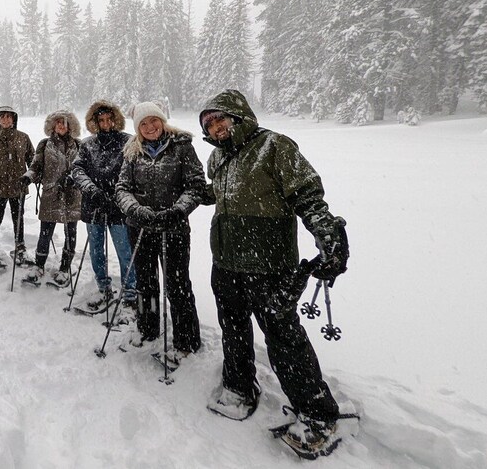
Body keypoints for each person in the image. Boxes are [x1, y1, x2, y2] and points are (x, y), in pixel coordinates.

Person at [199, 89, 349, 454]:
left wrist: (327, 235)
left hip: (270, 265)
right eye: (208, 123)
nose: (215, 127)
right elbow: (220, 194)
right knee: (232, 328)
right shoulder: (216, 157)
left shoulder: (275, 146)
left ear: (238, 117)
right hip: (226, 262)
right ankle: (239, 385)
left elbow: (307, 195)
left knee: (282, 336)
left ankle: (317, 414)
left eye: (220, 118)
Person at [115, 101, 204, 365]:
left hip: (173, 228)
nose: (150, 127)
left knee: (177, 285)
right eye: (143, 123)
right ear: (137, 128)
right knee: (145, 283)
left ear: (162, 121)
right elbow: (122, 188)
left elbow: (196, 185)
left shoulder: (181, 146)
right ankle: (147, 328)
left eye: (153, 121)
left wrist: (178, 210)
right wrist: (135, 210)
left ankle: (186, 340)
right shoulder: (132, 151)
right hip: (140, 228)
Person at [71, 100, 137, 309]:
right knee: (96, 250)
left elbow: (133, 171)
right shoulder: (88, 144)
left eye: (109, 119)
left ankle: (131, 295)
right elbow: (77, 170)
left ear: (116, 120)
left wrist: (118, 194)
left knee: (125, 251)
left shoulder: (128, 141)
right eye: (101, 120)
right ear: (95, 122)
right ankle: (103, 288)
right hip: (94, 205)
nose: (106, 124)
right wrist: (93, 190)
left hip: (119, 206)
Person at [20, 110, 82, 286]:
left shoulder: (78, 145)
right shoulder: (44, 144)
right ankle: (39, 266)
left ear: (71, 125)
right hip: (50, 194)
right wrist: (28, 176)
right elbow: (36, 167)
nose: (62, 125)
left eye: (65, 122)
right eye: (58, 122)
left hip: (72, 195)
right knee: (45, 233)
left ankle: (65, 268)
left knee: (71, 233)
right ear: (53, 125)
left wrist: (73, 179)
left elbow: (82, 169)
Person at [0, 105, 36, 269]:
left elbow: (33, 160)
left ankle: (20, 247)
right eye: (2, 117)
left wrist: (31, 175)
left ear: (14, 119)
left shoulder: (23, 138)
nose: (5, 120)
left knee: (18, 218)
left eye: (8, 117)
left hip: (18, 186)